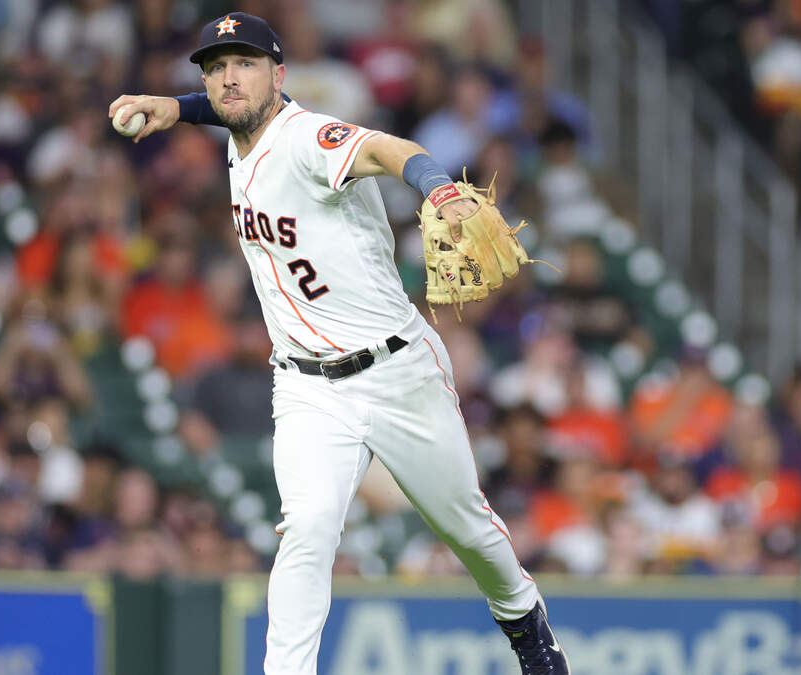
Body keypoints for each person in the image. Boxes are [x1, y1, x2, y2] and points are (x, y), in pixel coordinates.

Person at [107, 12, 568, 675]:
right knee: (308, 530)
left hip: (396, 369)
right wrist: (176, 110)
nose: (229, 78)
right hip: (305, 384)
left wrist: (437, 187)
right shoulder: (239, 130)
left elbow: (390, 150)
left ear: (281, 75)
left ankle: (530, 631)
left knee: (467, 528)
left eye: (245, 64)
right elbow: (232, 113)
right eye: (215, 68)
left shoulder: (307, 139)